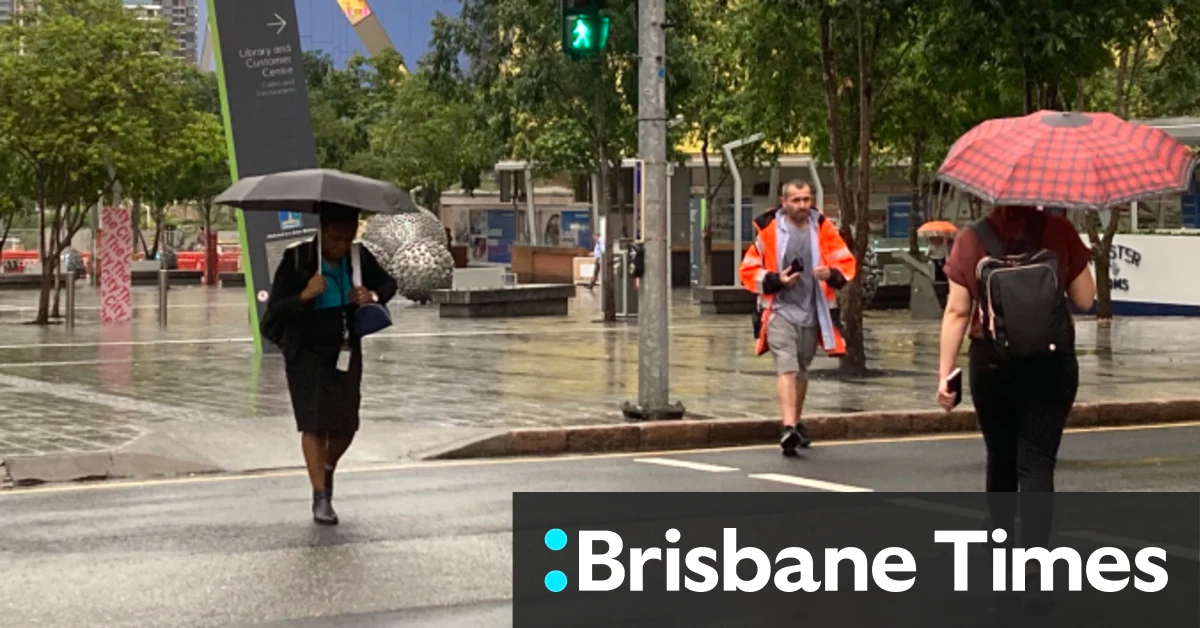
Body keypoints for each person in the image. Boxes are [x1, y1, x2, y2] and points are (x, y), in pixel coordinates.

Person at [936, 206, 1094, 581]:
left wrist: (945, 375)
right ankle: (1037, 570)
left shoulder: (971, 239)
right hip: (1052, 363)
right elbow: (1086, 299)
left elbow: (958, 312)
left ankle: (1002, 552)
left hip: (992, 364)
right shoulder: (1059, 230)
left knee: (1001, 456)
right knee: (1037, 463)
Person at [263, 203, 397, 525]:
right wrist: (305, 295)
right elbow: (276, 311)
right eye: (335, 237)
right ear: (321, 232)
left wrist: (372, 295)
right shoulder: (297, 260)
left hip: (345, 347)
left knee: (346, 424)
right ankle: (320, 497)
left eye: (348, 236)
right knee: (313, 423)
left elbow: (389, 284)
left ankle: (327, 466)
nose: (341, 244)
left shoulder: (359, 257)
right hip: (305, 351)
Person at [740, 180, 857, 456]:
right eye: (796, 200)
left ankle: (796, 424)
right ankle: (788, 426)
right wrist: (775, 279)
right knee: (787, 366)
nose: (802, 205)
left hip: (813, 311)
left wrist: (832, 273)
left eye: (806, 199)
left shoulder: (824, 228)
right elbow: (748, 270)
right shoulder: (769, 231)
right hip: (779, 310)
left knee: (802, 369)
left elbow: (846, 263)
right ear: (784, 202)